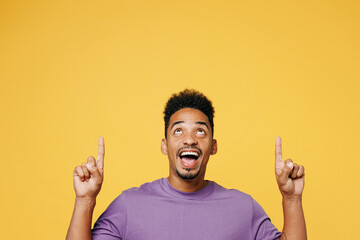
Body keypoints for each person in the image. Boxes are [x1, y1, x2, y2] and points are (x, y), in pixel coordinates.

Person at [66, 89, 307, 240]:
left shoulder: (244, 208)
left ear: (213, 146)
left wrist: (292, 199)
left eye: (200, 131)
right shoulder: (129, 206)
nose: (189, 139)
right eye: (178, 130)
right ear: (164, 145)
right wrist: (84, 201)